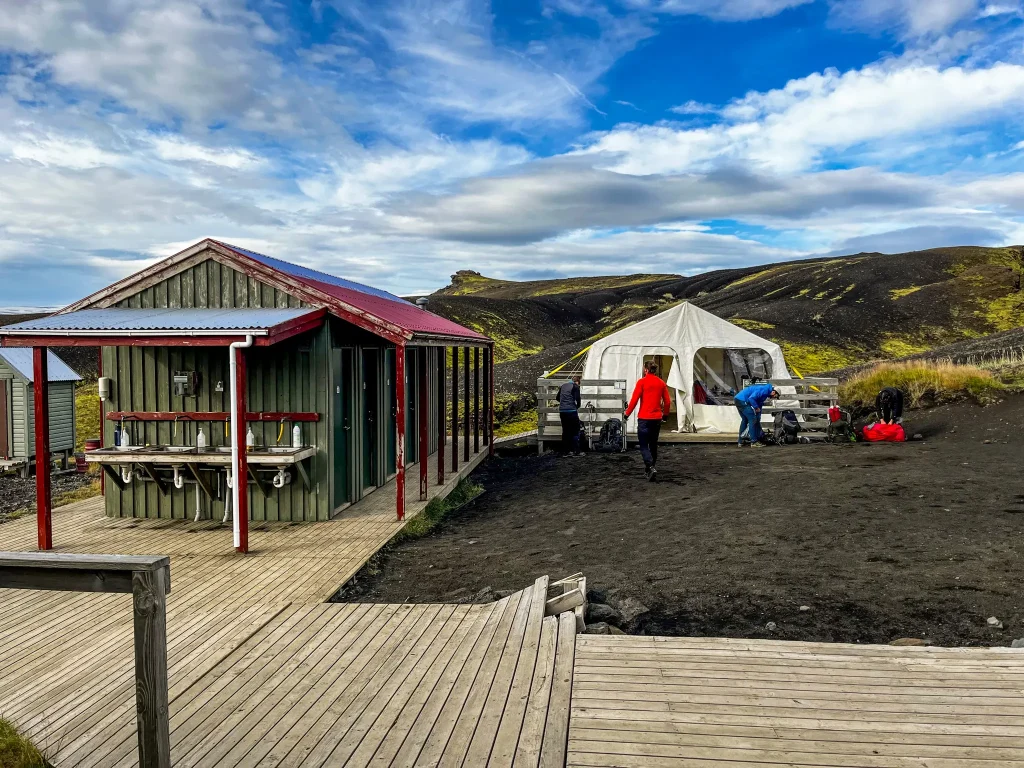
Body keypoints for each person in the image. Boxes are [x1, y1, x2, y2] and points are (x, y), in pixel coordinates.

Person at [624, 361, 672, 481]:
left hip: (644, 418)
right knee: (653, 445)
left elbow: (634, 400)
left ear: (645, 369)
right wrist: (665, 415)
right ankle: (650, 469)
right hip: (656, 419)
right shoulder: (661, 383)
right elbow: (667, 402)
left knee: (644, 445)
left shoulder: (642, 382)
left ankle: (650, 466)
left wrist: (627, 414)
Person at [733, 382, 780, 447]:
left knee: (745, 420)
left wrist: (758, 415)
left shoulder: (765, 392)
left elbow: (759, 404)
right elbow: (751, 398)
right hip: (743, 400)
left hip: (738, 399)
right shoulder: (764, 391)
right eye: (775, 396)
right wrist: (756, 407)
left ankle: (741, 441)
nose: (773, 398)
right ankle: (754, 441)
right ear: (773, 392)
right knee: (753, 419)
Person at [556, 375, 582, 456]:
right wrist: (577, 406)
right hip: (571, 411)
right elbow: (578, 399)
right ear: (577, 382)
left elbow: (557, 398)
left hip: (562, 411)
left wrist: (564, 402)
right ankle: (576, 451)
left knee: (566, 431)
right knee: (575, 430)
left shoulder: (563, 386)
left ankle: (566, 451)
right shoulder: (575, 387)